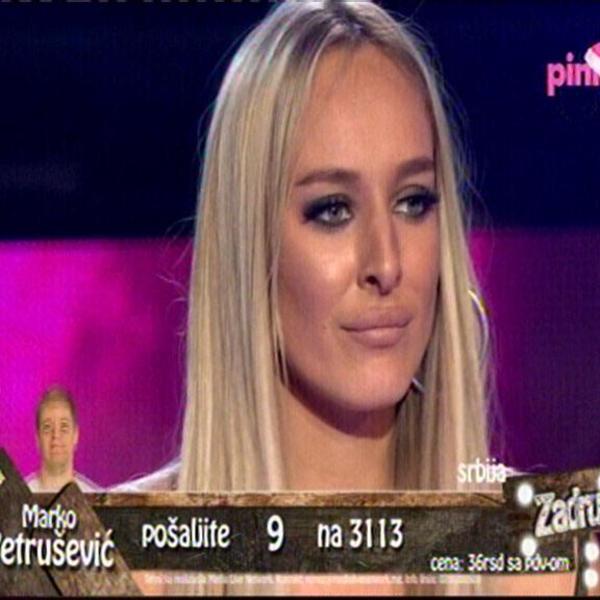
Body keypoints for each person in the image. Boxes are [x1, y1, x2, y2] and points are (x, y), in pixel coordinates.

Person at [128, 0, 577, 594]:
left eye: (413, 201)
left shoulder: (545, 564)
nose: (386, 265)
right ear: (249, 248)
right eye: (333, 210)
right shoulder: (123, 565)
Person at [27, 386, 99, 493]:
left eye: (64, 427)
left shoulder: (94, 496)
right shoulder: (17, 497)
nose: (56, 435)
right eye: (47, 427)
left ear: (76, 435)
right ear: (37, 438)